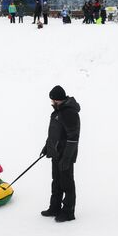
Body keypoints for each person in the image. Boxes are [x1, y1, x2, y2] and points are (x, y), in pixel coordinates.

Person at [40, 85, 81, 223]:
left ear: (58, 99)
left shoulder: (69, 112)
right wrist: (47, 147)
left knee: (67, 183)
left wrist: (67, 158)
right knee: (56, 182)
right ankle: (55, 208)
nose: (52, 103)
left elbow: (72, 138)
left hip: (65, 156)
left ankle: (68, 212)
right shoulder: (58, 112)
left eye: (53, 100)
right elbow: (54, 133)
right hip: (56, 154)